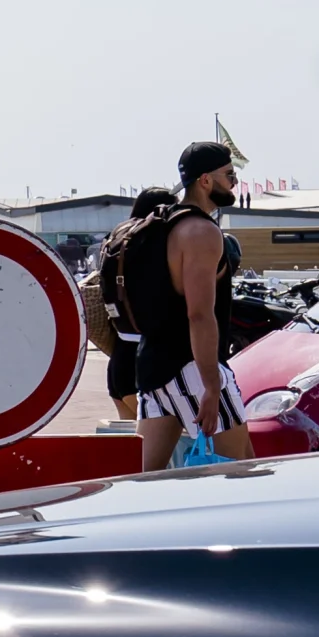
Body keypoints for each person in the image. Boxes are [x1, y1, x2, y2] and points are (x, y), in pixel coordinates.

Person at [133, 140, 252, 469]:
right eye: (229, 175)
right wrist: (212, 385)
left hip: (152, 367)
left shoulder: (160, 224)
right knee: (241, 470)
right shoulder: (201, 232)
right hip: (192, 367)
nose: (235, 183)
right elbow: (199, 315)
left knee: (147, 477)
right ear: (205, 180)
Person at [91, 187, 174, 422]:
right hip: (145, 360)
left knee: (130, 444)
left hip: (120, 355)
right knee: (160, 444)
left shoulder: (118, 233)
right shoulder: (153, 238)